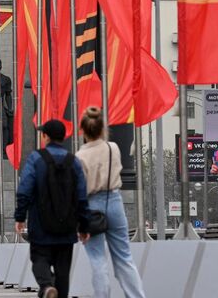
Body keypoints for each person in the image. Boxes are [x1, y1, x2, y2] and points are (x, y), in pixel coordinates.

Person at [75, 108, 146, 298]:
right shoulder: (112, 148)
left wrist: (81, 223)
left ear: (83, 130)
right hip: (114, 201)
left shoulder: (80, 156)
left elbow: (79, 191)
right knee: (124, 257)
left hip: (91, 205)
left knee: (97, 259)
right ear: (103, 128)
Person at [15, 119, 89, 298]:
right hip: (67, 227)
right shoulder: (74, 162)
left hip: (41, 225)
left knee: (39, 259)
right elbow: (82, 196)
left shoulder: (36, 158)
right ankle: (57, 292)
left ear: (46, 137)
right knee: (63, 271)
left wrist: (20, 216)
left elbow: (24, 189)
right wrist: (84, 226)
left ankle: (47, 286)